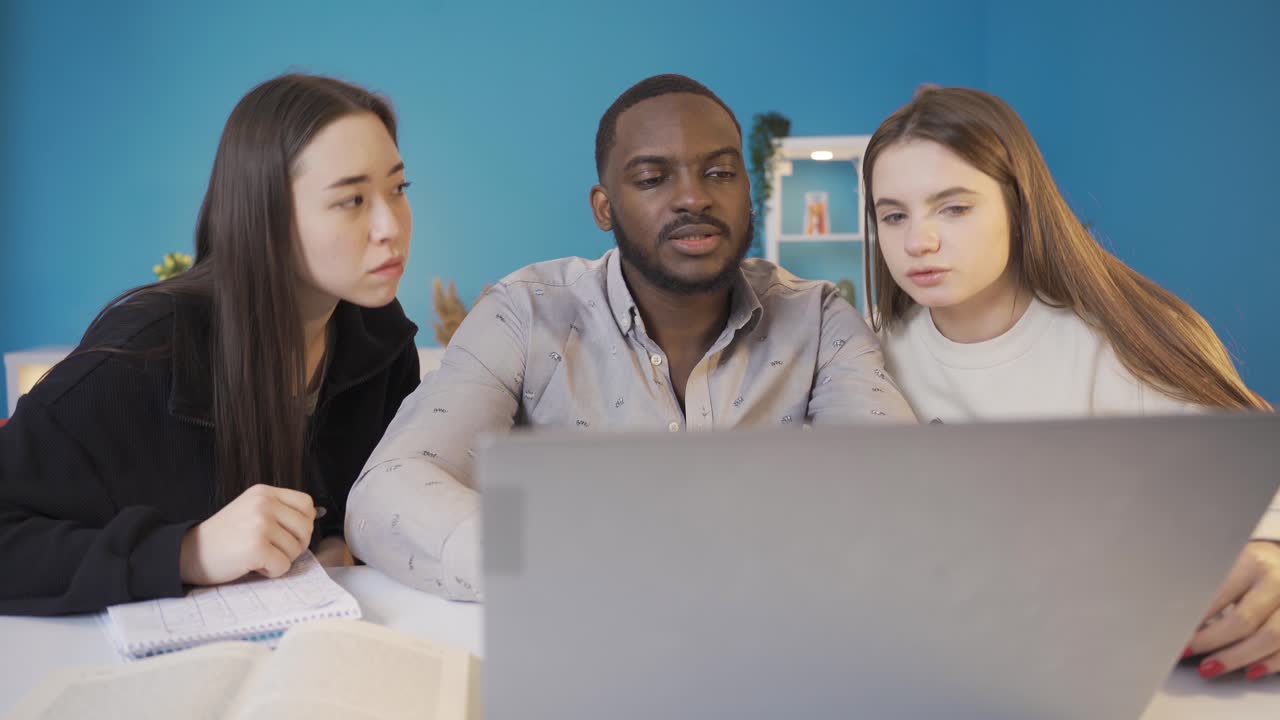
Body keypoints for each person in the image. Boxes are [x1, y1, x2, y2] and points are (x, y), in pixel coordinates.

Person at [345, 74, 915, 601]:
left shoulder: (819, 319)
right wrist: (567, 562)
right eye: (652, 178)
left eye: (720, 172)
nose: (694, 198)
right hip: (581, 640)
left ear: (748, 192)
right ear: (604, 207)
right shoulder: (525, 314)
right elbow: (386, 496)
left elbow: (897, 487)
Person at [865, 85, 1279, 680]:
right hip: (941, 658)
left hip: (1125, 659)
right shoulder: (868, 352)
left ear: (1019, 205)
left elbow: (1255, 475)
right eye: (894, 214)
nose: (917, 242)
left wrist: (1270, 552)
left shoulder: (1128, 339)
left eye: (954, 207)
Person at [0, 73, 420, 616]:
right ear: (266, 217)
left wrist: (342, 540)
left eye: (397, 189)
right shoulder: (141, 354)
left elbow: (378, 497)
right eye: (352, 200)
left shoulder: (380, 338)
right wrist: (186, 552)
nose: (391, 225)